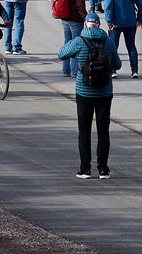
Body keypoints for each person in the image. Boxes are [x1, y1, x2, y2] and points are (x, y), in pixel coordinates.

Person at [56, 13, 121, 179]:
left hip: (83, 91)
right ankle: (103, 168)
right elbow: (118, 64)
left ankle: (85, 168)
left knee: (84, 131)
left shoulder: (80, 40)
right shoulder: (108, 41)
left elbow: (61, 54)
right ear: (99, 25)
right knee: (103, 130)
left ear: (85, 25)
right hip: (105, 92)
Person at [102, 0, 142, 76]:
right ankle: (134, 70)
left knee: (113, 46)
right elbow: (141, 5)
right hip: (131, 22)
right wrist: (140, 19)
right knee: (131, 46)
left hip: (115, 23)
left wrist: (108, 20)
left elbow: (108, 6)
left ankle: (113, 70)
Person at [53, 0, 88, 75]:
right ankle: (74, 71)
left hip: (64, 18)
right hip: (75, 20)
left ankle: (65, 70)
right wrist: (86, 19)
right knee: (77, 45)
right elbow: (80, 6)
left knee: (67, 44)